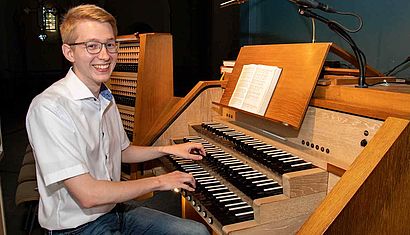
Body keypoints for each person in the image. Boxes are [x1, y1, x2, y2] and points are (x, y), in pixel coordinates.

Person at [26, 4, 209, 235]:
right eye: (91, 46)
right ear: (69, 52)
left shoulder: (105, 96)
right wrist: (161, 181)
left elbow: (123, 151)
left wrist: (170, 150)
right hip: (76, 228)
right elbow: (88, 195)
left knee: (195, 232)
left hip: (114, 212)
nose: (105, 55)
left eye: (110, 44)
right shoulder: (50, 108)